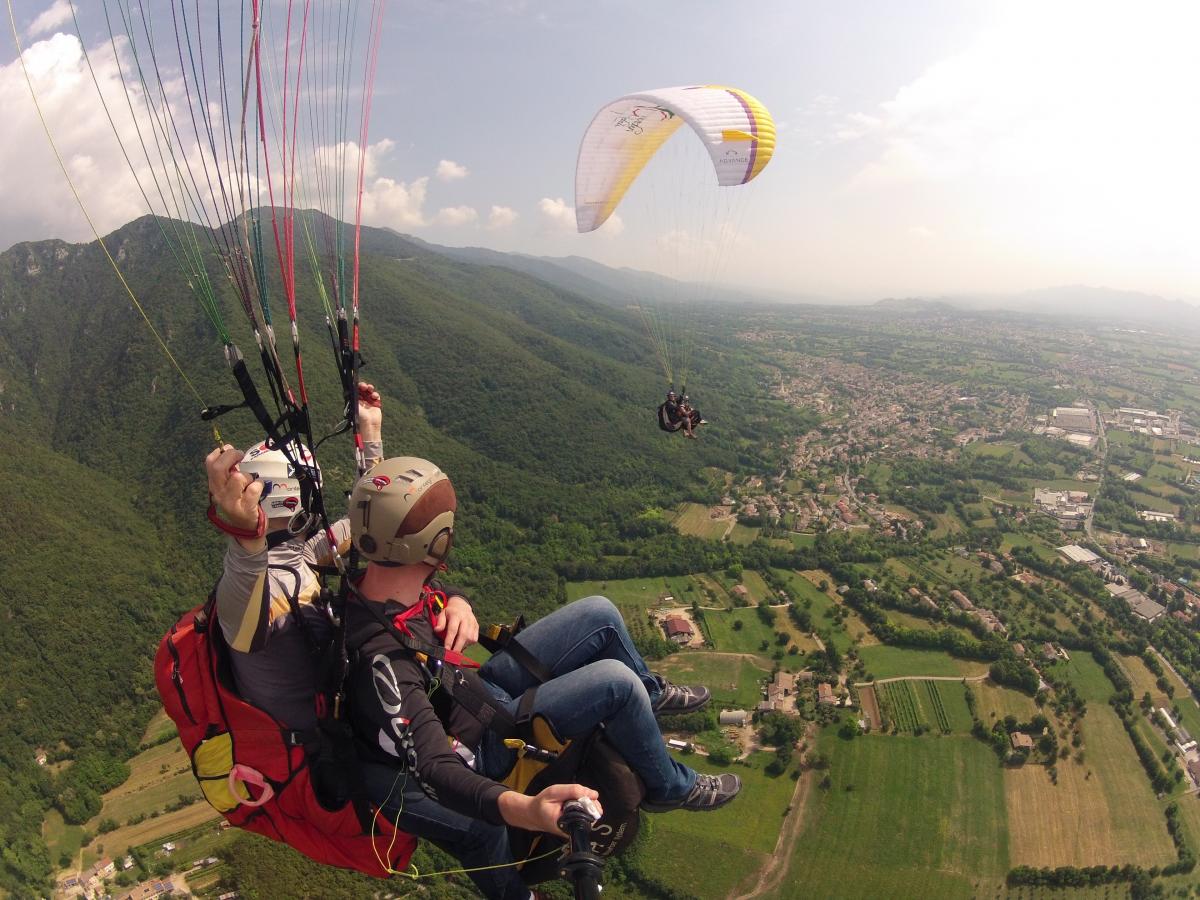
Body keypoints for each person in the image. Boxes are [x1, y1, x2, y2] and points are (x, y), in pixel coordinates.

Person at [343, 456, 741, 899]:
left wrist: (457, 600)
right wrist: (526, 809)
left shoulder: (369, 581)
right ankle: (671, 786)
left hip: (475, 691)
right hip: (486, 743)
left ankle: (651, 695)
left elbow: (416, 575)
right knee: (616, 683)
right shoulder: (384, 664)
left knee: (600, 614)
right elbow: (435, 768)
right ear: (437, 544)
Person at [204, 383, 470, 731]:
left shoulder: (302, 554)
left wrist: (370, 432)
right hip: (324, 764)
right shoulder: (254, 596)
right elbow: (246, 572)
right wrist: (245, 534)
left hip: (347, 731)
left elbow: (378, 528)